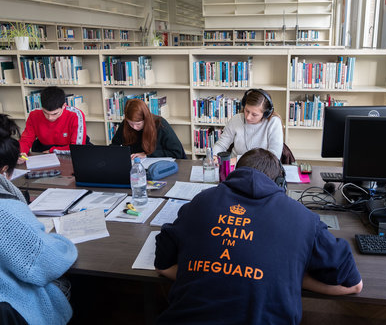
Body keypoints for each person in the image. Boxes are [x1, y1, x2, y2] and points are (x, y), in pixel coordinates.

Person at [154, 148, 362, 325]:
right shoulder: (304, 219)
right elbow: (353, 284)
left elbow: (162, 265)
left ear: (234, 174)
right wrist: (285, 276)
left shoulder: (200, 202)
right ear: (281, 183)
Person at [0, 111, 78, 325]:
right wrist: (61, 240)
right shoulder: (4, 212)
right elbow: (49, 264)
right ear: (4, 170)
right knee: (73, 284)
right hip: (9, 309)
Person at [18, 86, 88, 163]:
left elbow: (77, 148)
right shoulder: (34, 115)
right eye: (45, 112)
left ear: (64, 106)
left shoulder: (76, 115)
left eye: (55, 114)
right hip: (44, 150)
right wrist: (21, 152)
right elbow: (26, 139)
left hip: (68, 150)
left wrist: (53, 151)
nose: (50, 118)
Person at [212, 88, 283, 164]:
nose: (248, 117)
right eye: (247, 111)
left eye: (254, 114)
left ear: (266, 113)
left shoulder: (273, 122)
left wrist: (236, 160)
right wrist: (214, 156)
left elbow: (274, 157)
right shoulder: (236, 119)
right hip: (234, 167)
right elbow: (221, 144)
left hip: (261, 167)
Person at [111, 98, 186, 159]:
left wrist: (147, 155)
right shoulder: (125, 124)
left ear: (146, 119)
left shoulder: (160, 124)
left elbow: (177, 152)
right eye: (131, 123)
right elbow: (114, 146)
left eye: (138, 124)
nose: (134, 127)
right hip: (135, 166)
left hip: (160, 167)